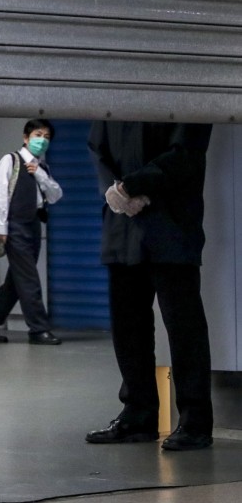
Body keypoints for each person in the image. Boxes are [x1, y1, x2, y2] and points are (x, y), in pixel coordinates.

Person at [85, 121, 214, 451]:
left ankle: (195, 422)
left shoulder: (181, 88)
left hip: (170, 222)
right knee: (127, 326)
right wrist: (115, 192)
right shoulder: (112, 96)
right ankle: (137, 415)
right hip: (121, 224)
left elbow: (186, 153)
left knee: (183, 327)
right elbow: (96, 147)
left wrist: (131, 187)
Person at [0, 119, 63, 345]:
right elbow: (1, 193)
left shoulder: (42, 167)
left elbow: (55, 195)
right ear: (26, 138)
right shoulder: (10, 160)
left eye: (47, 137)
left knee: (17, 280)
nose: (42, 140)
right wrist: (2, 227)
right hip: (15, 226)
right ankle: (38, 329)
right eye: (38, 135)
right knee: (30, 279)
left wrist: (40, 175)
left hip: (33, 226)